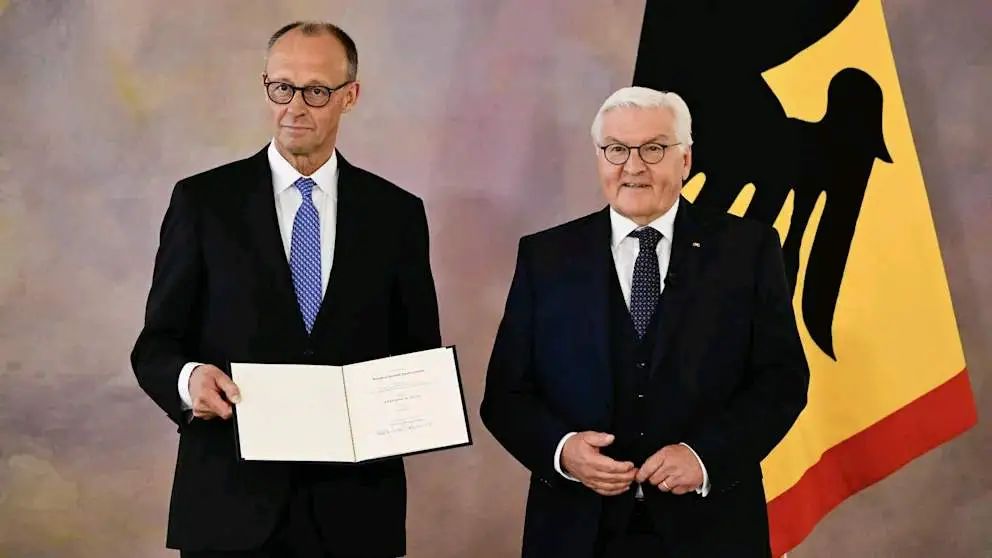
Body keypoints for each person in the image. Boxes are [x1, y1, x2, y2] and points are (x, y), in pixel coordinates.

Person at [131, 21, 439, 558]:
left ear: (350, 96)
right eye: (281, 88)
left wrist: (411, 405)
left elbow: (417, 359)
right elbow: (156, 347)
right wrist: (189, 380)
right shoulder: (203, 203)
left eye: (316, 91)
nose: (295, 107)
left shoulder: (397, 215)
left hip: (356, 517)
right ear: (266, 87)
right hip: (229, 511)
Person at [481, 86, 809, 557]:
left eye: (653, 149)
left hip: (712, 529)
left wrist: (705, 457)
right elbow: (505, 396)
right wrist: (563, 451)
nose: (632, 166)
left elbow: (781, 382)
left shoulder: (747, 250)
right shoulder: (546, 257)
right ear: (599, 157)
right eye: (616, 149)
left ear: (685, 160)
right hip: (574, 532)